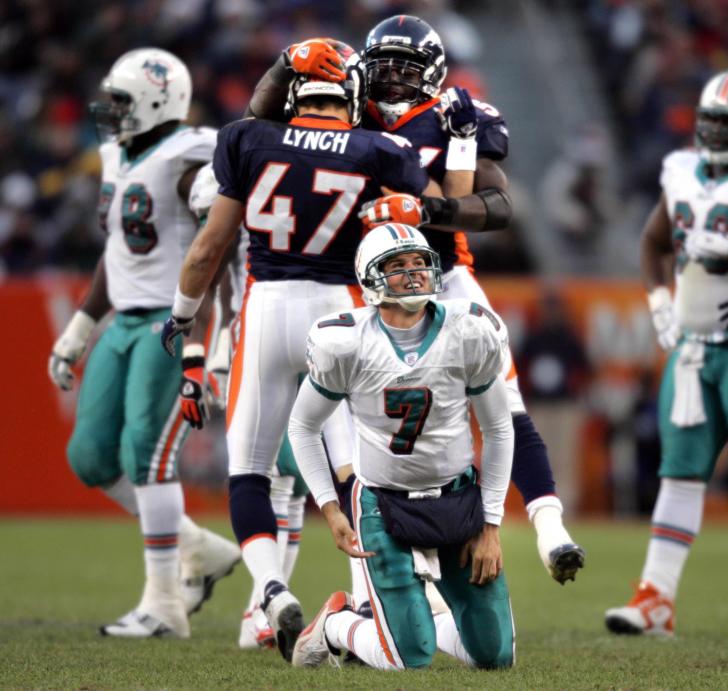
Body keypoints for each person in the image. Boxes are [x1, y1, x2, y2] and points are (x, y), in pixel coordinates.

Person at [246, 15, 584, 587]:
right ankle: (384, 574)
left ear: (433, 74)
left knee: (504, 402)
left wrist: (429, 210)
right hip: (367, 289)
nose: (394, 83)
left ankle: (549, 525)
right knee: (368, 429)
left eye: (408, 70)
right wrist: (287, 62)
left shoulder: (454, 117)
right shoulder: (346, 110)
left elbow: (497, 206)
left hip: (445, 275)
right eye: (383, 70)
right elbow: (264, 113)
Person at [161, 38, 437, 662]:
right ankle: (371, 596)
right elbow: (407, 236)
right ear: (351, 97)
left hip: (265, 307)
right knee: (354, 466)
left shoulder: (246, 139)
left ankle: (270, 589)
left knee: (250, 470)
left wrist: (182, 317)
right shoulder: (381, 150)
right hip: (340, 309)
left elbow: (208, 249)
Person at [47, 48, 240, 639]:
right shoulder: (115, 155)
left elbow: (220, 244)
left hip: (170, 318)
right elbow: (118, 252)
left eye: (123, 100)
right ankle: (198, 547)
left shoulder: (188, 158)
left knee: (145, 454)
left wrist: (218, 333)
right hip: (122, 320)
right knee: (89, 458)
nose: (111, 111)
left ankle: (163, 603)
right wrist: (80, 329)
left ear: (159, 99)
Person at [604, 69, 728, 638]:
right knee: (680, 473)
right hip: (694, 350)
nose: (714, 131)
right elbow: (653, 241)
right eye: (709, 120)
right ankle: (656, 598)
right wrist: (659, 297)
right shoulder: (680, 170)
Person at [287, 223, 515, 671]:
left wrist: (490, 526)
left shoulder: (468, 330)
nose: (412, 274)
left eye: (418, 263)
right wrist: (331, 508)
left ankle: (423, 626)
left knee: (494, 657)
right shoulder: (347, 342)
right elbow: (302, 426)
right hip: (382, 506)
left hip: (457, 500)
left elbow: (500, 429)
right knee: (407, 658)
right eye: (396, 266)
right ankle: (335, 624)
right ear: (370, 279)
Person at [186, 163, 310, 650]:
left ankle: (260, 607)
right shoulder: (250, 190)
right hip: (256, 342)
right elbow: (216, 283)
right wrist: (214, 353)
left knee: (291, 481)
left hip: (279, 333)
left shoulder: (268, 191)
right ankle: (261, 606)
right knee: (275, 477)